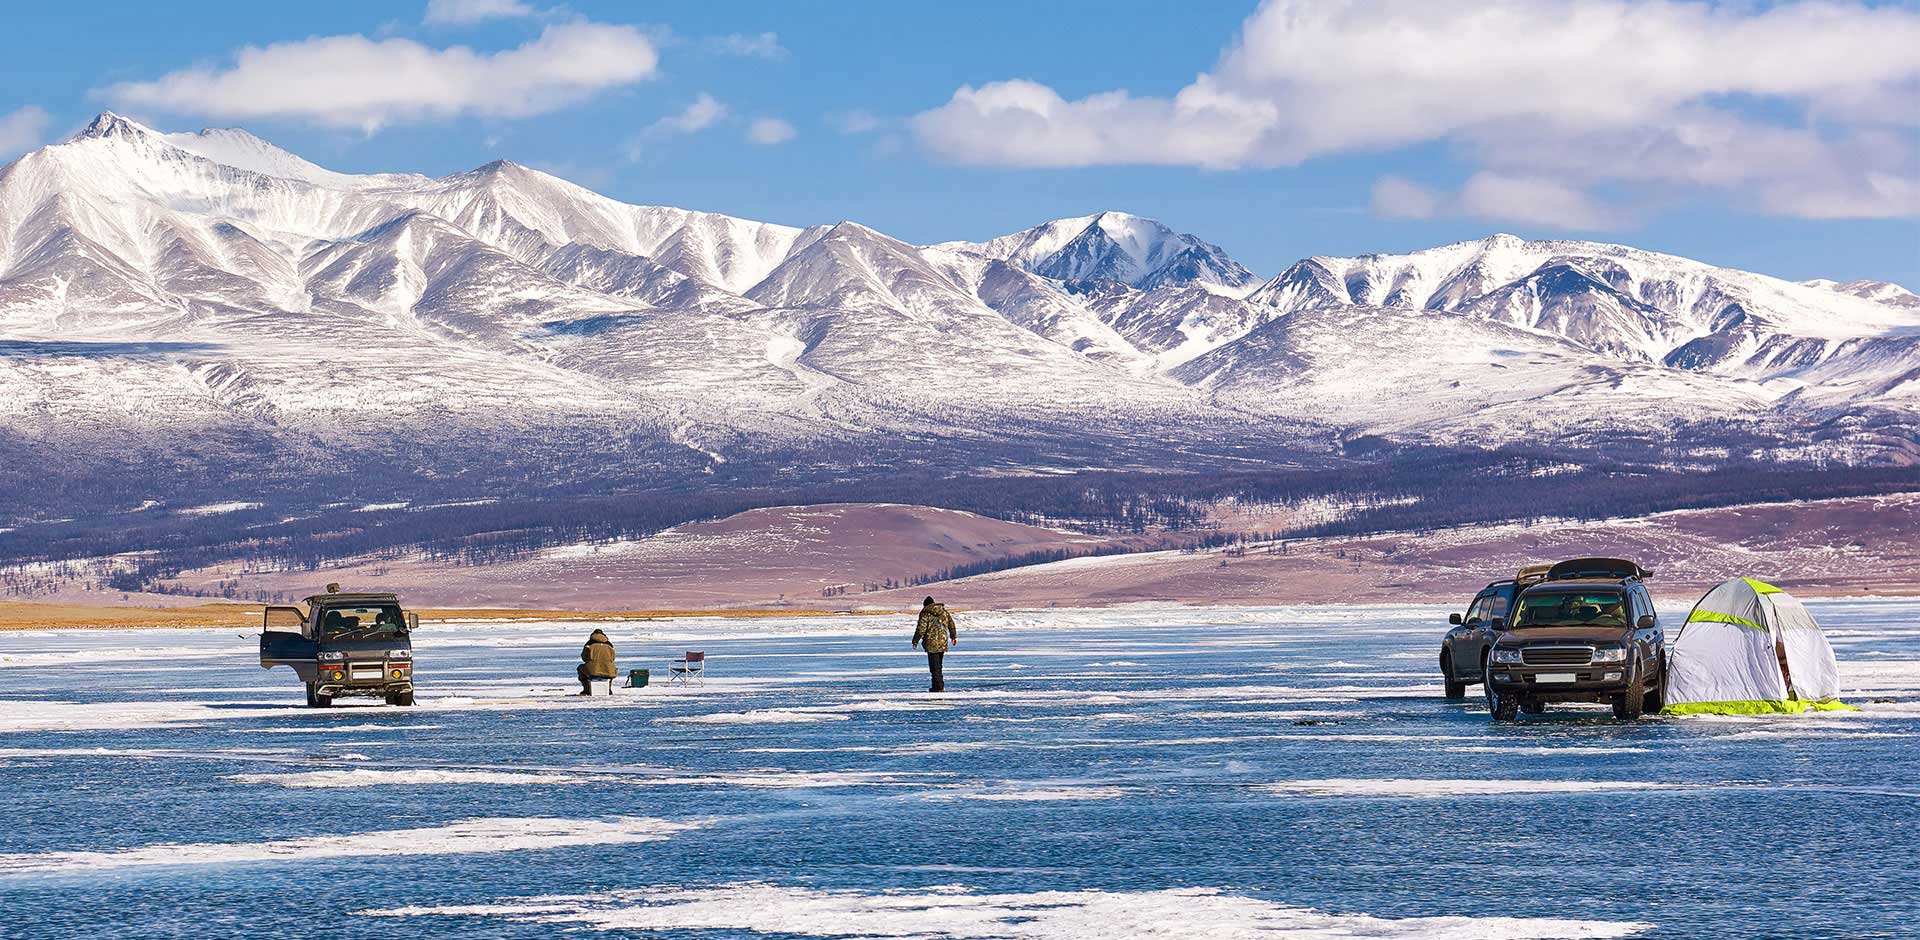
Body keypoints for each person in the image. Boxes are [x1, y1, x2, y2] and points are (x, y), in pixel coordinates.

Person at [911, 597, 957, 692]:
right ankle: (939, 685)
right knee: (938, 665)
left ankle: (938, 687)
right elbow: (951, 624)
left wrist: (915, 641)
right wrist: (953, 637)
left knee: (934, 667)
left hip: (931, 642)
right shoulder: (944, 612)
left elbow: (921, 629)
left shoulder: (925, 613)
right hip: (942, 642)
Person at [578, 629, 616, 694]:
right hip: (608, 670)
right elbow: (613, 658)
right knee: (611, 670)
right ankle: (608, 689)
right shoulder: (609, 645)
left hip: (592, 671)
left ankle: (586, 689)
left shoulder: (589, 644)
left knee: (580, 668)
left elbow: (584, 658)